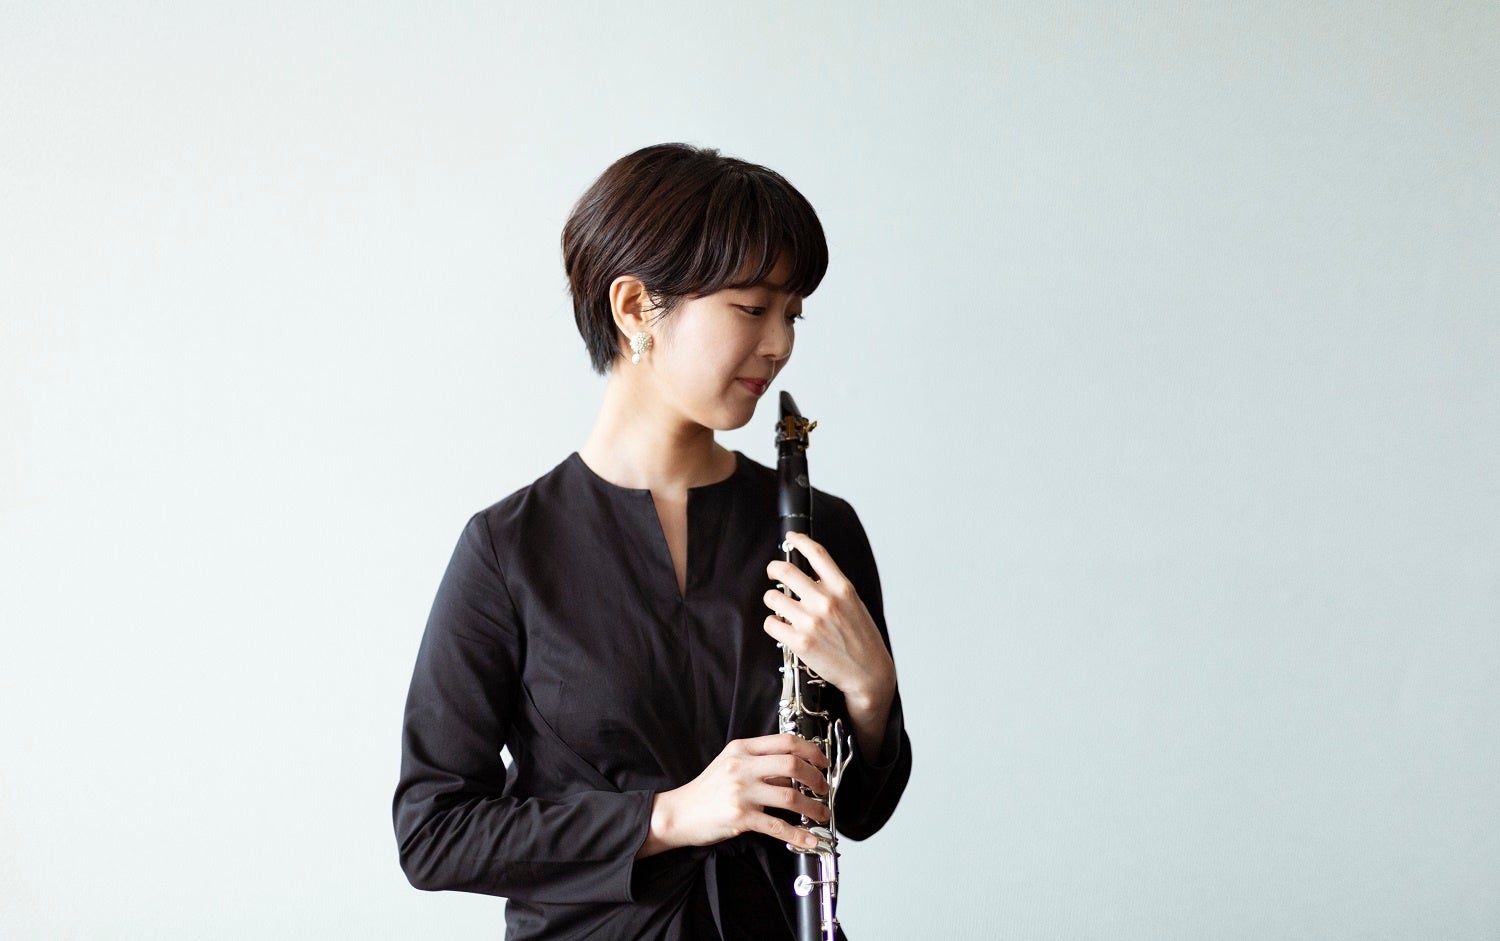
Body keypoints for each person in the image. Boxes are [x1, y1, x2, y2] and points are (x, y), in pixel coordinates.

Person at [393, 143, 912, 940]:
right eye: (752, 307)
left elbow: (862, 812)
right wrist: (667, 815)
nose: (780, 343)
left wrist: (873, 694)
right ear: (636, 306)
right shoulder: (508, 548)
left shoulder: (821, 528)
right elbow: (434, 832)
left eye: (793, 314)